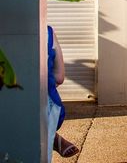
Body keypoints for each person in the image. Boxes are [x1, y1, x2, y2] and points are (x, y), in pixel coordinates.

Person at [47, 26, 79, 161]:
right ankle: (52, 137)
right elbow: (59, 77)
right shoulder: (47, 32)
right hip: (46, 107)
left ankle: (53, 137)